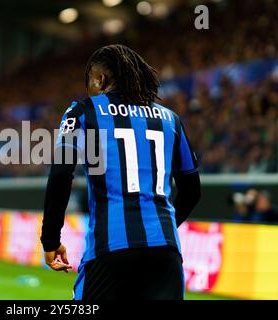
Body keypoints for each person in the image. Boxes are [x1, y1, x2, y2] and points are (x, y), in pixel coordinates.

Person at [40, 44, 201, 300]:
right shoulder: (170, 119)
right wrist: (162, 230)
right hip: (166, 255)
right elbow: (192, 190)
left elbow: (61, 174)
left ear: (101, 79)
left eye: (90, 83)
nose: (89, 91)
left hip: (110, 251)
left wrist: (50, 240)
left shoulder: (82, 111)